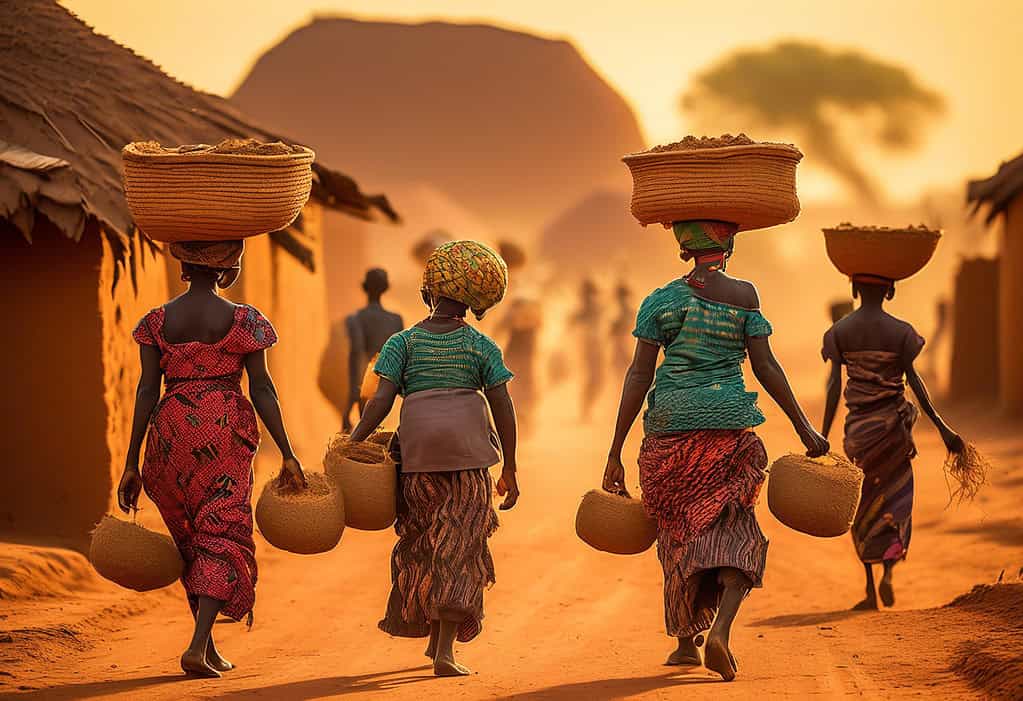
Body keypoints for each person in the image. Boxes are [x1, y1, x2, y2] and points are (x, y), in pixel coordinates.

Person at [602, 220, 828, 682]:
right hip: (728, 427)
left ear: (684, 249)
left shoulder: (659, 301)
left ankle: (687, 641)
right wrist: (804, 427)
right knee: (735, 527)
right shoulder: (745, 296)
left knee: (677, 531)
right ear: (727, 245)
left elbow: (638, 376)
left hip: (668, 431)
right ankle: (720, 630)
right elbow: (764, 365)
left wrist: (615, 449)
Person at [116, 240, 307, 678]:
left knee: (192, 536)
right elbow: (262, 389)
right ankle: (198, 646)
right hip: (222, 433)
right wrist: (288, 452)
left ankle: (210, 645)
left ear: (183, 266)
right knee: (222, 533)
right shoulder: (245, 321)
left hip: (169, 435)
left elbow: (147, 390)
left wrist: (131, 461)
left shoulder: (156, 322)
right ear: (227, 269)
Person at [348, 240, 520, 677]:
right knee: (460, 545)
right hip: (468, 460)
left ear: (428, 293)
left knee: (425, 541)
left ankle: (433, 638)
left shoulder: (401, 343)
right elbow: (503, 407)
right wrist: (512, 468)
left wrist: (354, 441)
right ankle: (443, 651)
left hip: (418, 460)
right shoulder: (482, 347)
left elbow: (380, 401)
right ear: (473, 304)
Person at [821, 276, 962, 611]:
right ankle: (888, 572)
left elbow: (832, 388)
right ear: (891, 291)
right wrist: (943, 429)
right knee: (896, 501)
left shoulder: (840, 333)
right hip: (894, 435)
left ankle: (870, 589)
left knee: (863, 506)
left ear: (854, 290)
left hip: (859, 437)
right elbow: (915, 384)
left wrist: (821, 436)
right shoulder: (902, 333)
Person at [342, 268, 404, 431]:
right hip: (392, 388)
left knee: (365, 438)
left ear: (364, 287)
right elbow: (403, 358)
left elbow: (356, 353)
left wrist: (351, 400)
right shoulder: (396, 320)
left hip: (368, 385)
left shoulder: (355, 319)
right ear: (386, 288)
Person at [570, 278, 604, 422]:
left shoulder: (595, 307)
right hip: (590, 348)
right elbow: (571, 322)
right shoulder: (585, 309)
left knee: (597, 379)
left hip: (595, 347)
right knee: (594, 378)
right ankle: (586, 409)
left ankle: (587, 409)